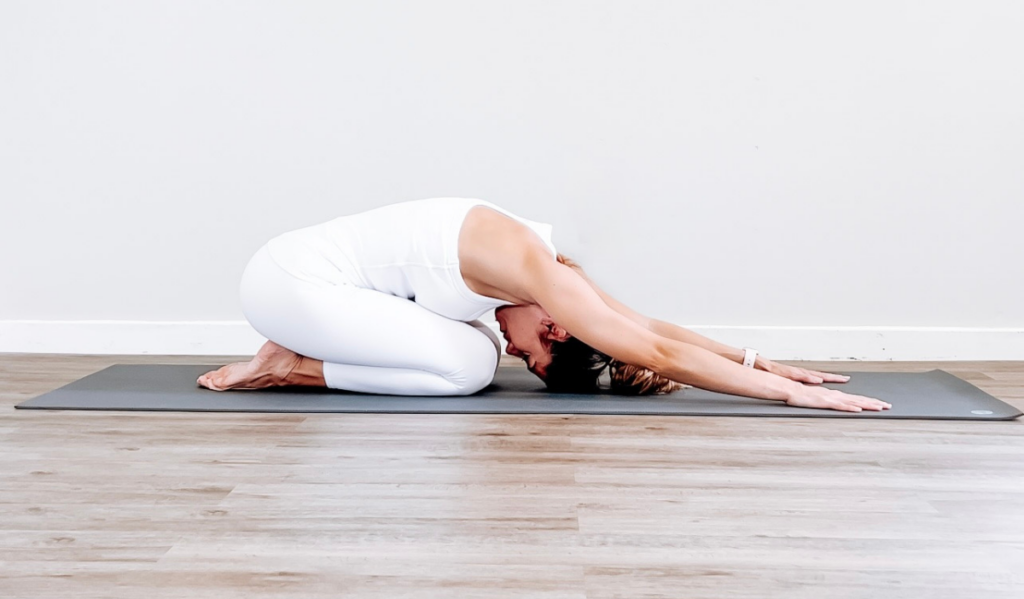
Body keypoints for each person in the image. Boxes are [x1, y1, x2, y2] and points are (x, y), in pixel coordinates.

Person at [197, 197, 892, 413]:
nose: (518, 350)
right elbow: (646, 350)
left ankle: (294, 359)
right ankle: (289, 365)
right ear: (559, 328)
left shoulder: (550, 275)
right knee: (469, 366)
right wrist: (787, 398)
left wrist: (754, 359)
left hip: (310, 286)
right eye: (532, 353)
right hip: (290, 283)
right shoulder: (535, 268)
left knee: (469, 355)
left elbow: (644, 326)